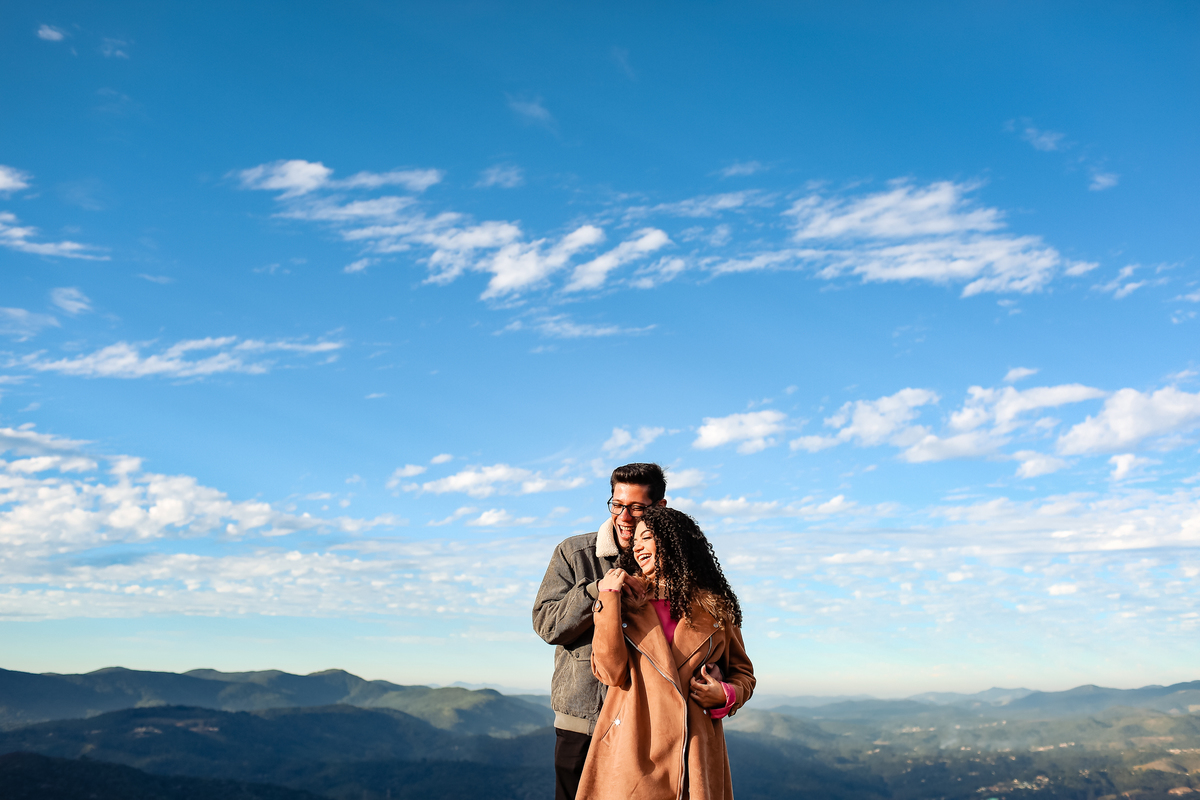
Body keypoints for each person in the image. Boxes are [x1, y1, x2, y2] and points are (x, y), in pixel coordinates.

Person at [577, 506, 754, 800]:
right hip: (633, 748)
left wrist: (726, 694)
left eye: (646, 538)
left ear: (675, 541)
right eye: (634, 541)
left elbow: (743, 674)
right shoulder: (623, 603)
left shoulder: (716, 609)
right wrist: (608, 599)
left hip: (695, 751)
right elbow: (610, 673)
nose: (637, 547)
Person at [532, 463, 668, 800]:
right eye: (617, 505)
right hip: (583, 721)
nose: (624, 516)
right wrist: (596, 591)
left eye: (637, 508)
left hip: (648, 724)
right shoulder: (573, 554)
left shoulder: (672, 561)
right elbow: (547, 625)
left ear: (660, 507)